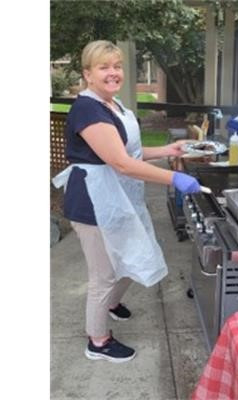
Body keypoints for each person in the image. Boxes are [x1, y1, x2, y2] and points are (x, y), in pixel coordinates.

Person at [52, 40, 201, 363]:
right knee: (104, 274)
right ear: (87, 74)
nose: (113, 73)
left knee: (130, 257)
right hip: (95, 201)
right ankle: (98, 341)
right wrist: (174, 178)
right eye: (104, 67)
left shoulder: (114, 105)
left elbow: (129, 153)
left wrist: (167, 152)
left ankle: (110, 304)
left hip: (117, 196)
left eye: (117, 66)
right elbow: (121, 163)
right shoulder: (88, 109)